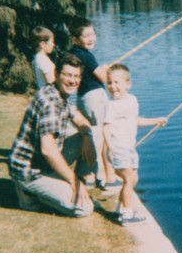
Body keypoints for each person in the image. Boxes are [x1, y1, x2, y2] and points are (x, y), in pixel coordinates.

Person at [9, 53, 96, 217]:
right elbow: (48, 150)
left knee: (94, 132)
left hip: (43, 164)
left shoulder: (59, 94)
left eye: (76, 76)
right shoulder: (51, 103)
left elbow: (80, 119)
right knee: (85, 209)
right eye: (67, 75)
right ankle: (29, 193)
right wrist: (73, 180)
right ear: (56, 74)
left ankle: (73, 184)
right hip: (30, 171)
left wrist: (88, 137)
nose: (72, 81)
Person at [103, 63, 167, 225]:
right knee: (129, 179)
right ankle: (127, 214)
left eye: (117, 82)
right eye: (110, 83)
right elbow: (106, 128)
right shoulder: (110, 105)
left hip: (129, 147)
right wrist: (110, 147)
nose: (112, 86)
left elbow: (135, 120)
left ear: (127, 84)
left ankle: (120, 210)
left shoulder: (132, 100)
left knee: (133, 179)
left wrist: (156, 121)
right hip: (118, 148)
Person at [69, 17, 116, 190]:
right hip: (94, 98)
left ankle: (87, 172)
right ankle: (99, 177)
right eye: (86, 36)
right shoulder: (87, 56)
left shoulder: (73, 53)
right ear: (75, 39)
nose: (91, 38)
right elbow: (103, 78)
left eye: (93, 34)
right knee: (99, 136)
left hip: (82, 98)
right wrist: (105, 70)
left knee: (90, 134)